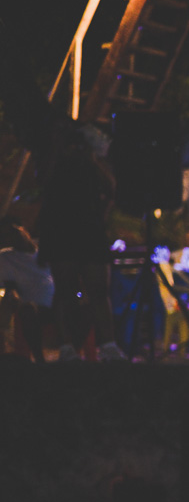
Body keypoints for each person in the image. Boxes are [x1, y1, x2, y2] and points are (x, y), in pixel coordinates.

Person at [34, 128, 126, 361]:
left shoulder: (91, 162)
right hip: (61, 228)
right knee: (65, 289)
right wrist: (56, 148)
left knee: (99, 289)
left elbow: (111, 188)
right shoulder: (53, 157)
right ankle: (66, 347)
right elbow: (43, 181)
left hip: (89, 229)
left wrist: (91, 158)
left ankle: (108, 344)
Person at [0, 218, 52, 362]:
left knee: (83, 305)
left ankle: (74, 356)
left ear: (23, 229)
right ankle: (39, 359)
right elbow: (10, 288)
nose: (12, 237)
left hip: (57, 303)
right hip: (32, 307)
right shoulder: (6, 257)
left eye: (13, 231)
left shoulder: (45, 253)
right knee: (28, 310)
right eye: (6, 236)